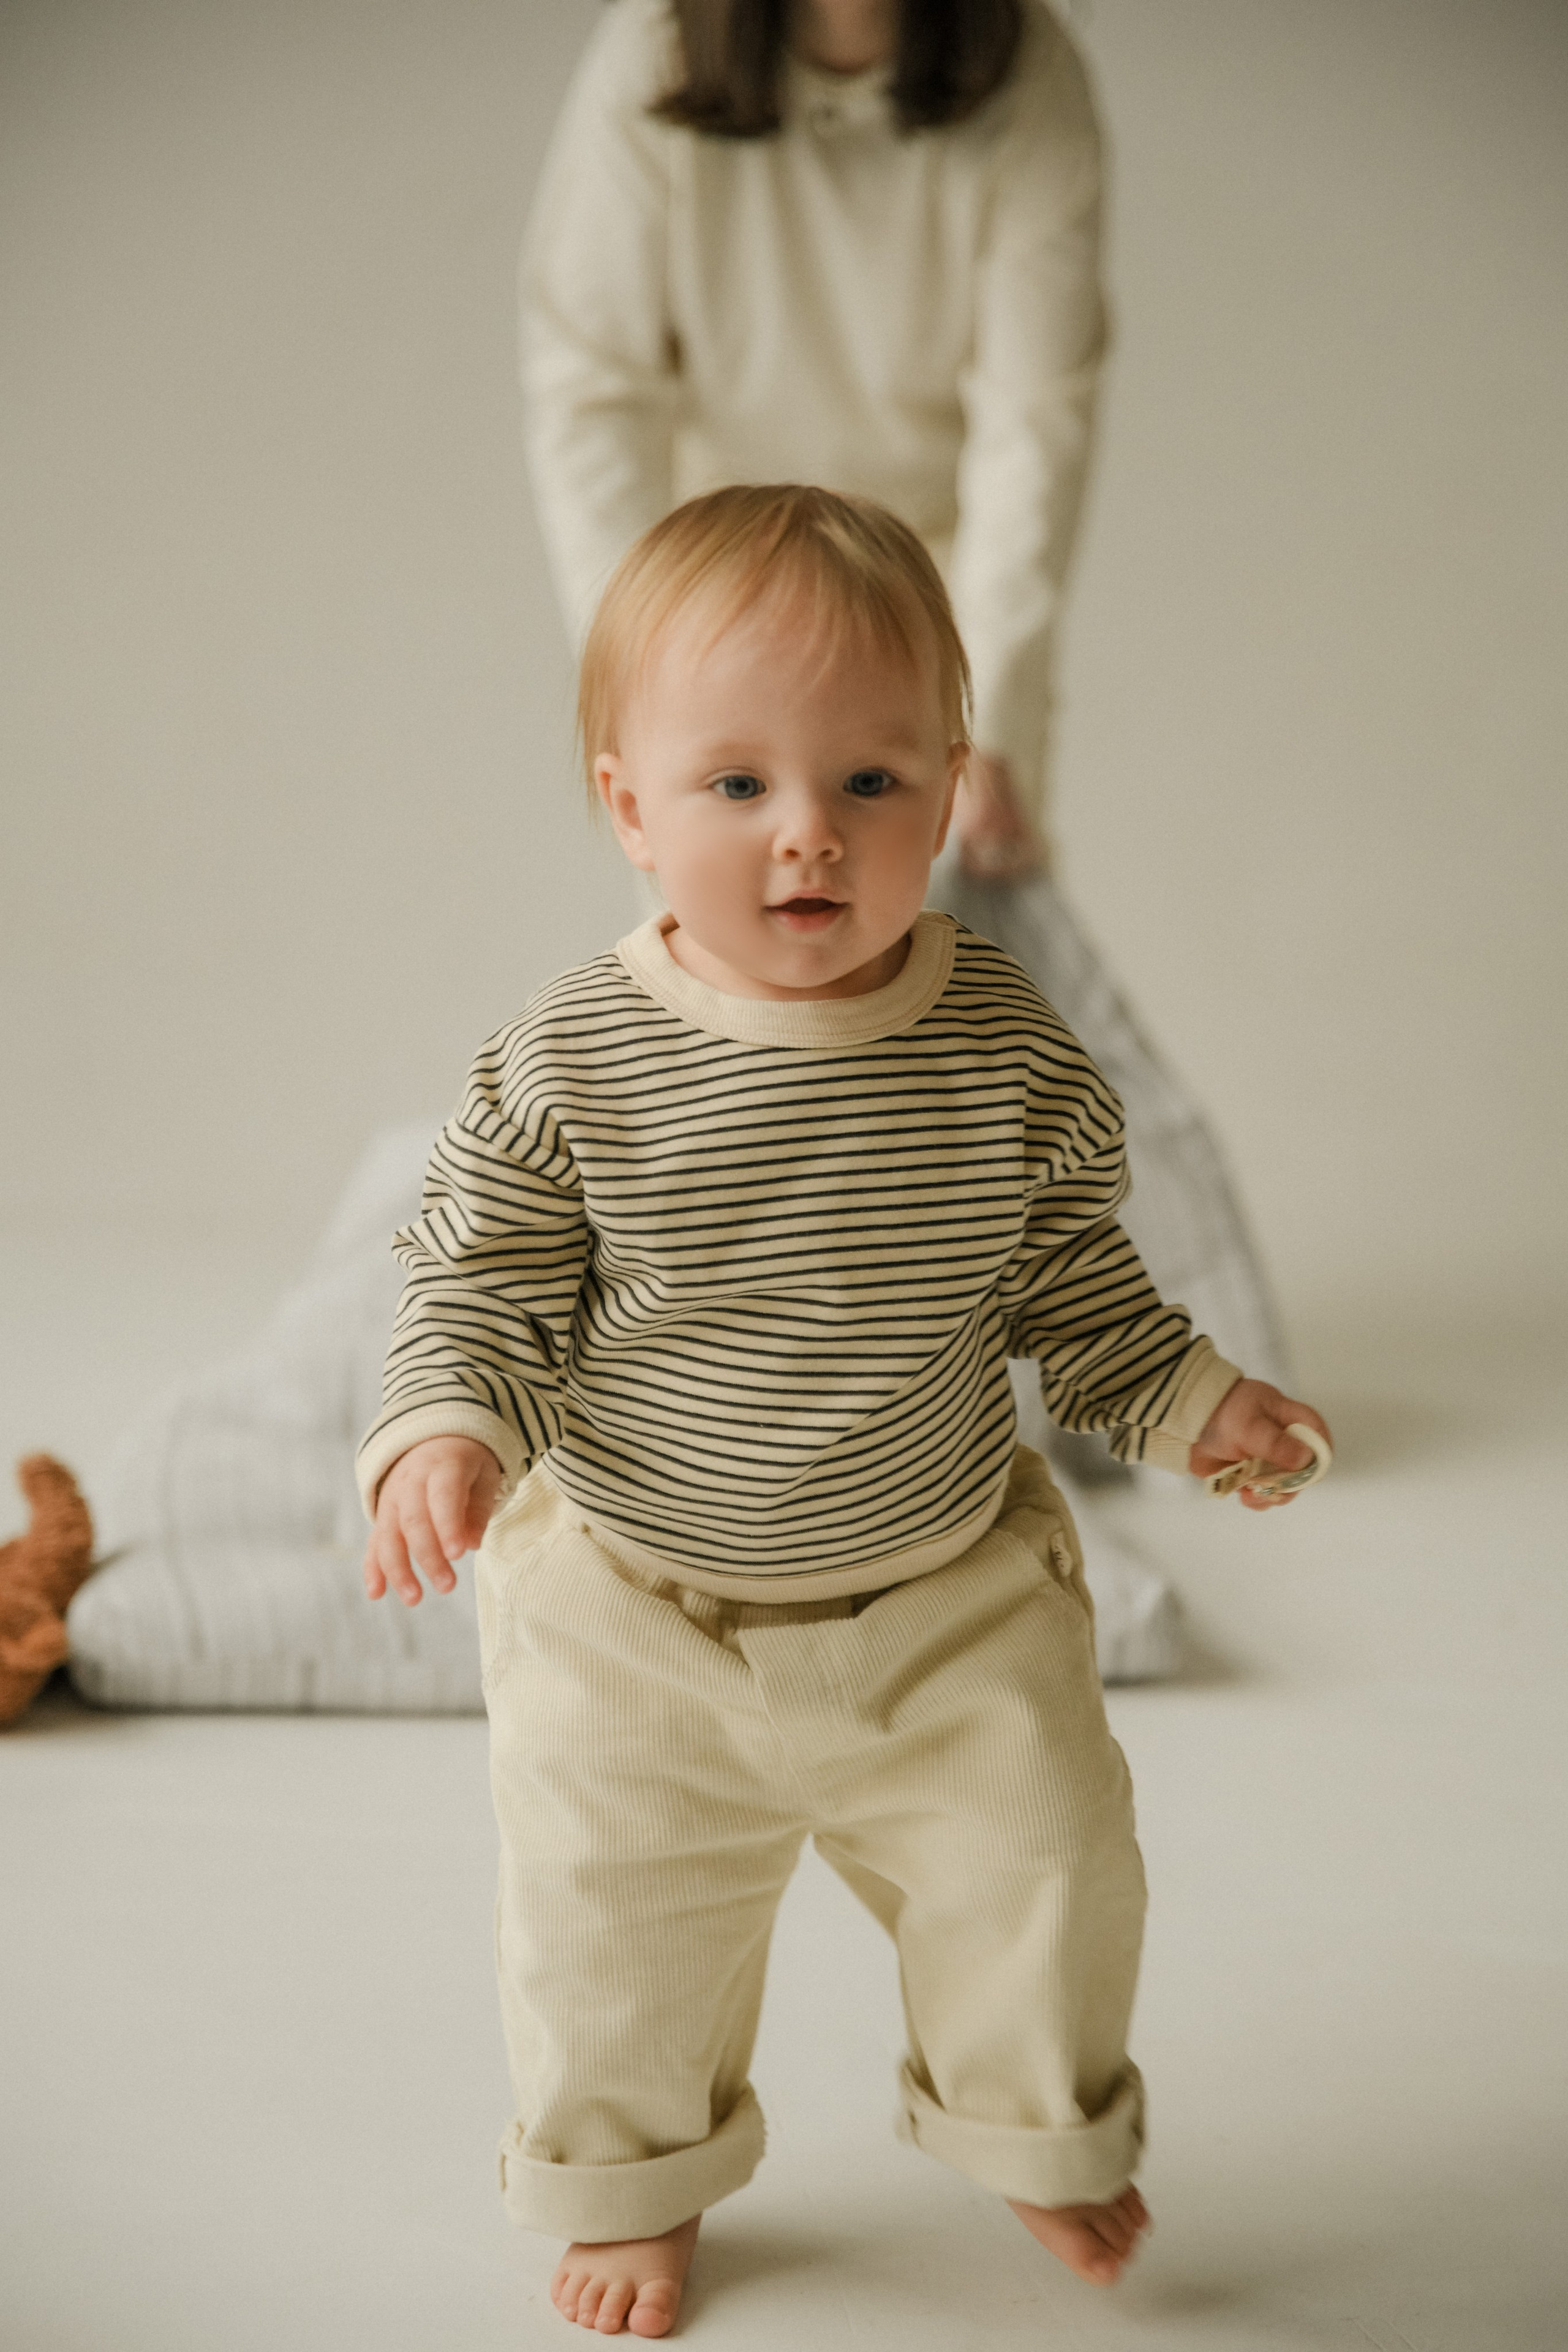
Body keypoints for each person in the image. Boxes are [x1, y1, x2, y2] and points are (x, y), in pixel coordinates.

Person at [357, 487, 1330, 2338]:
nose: (808, 833)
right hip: (641, 1608)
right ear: (628, 806)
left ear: (953, 794)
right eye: (735, 786)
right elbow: (476, 1279)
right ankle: (636, 2184)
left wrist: (1196, 1402)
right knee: (606, 1933)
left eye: (872, 783)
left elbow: (1077, 1295)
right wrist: (441, 1432)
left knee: (1051, 1864)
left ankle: (1037, 2130)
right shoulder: (571, 1056)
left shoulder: (1007, 1049)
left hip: (943, 1594)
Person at [518, 0, 1289, 1422]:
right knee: (721, 1006)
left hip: (924, 602)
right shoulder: (658, 56)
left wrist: (979, 715)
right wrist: (655, 664)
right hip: (711, 594)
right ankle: (719, 1361)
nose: (803, 835)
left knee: (948, 1010)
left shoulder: (1025, 72)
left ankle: (992, 1366)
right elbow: (591, 386)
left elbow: (1031, 421)